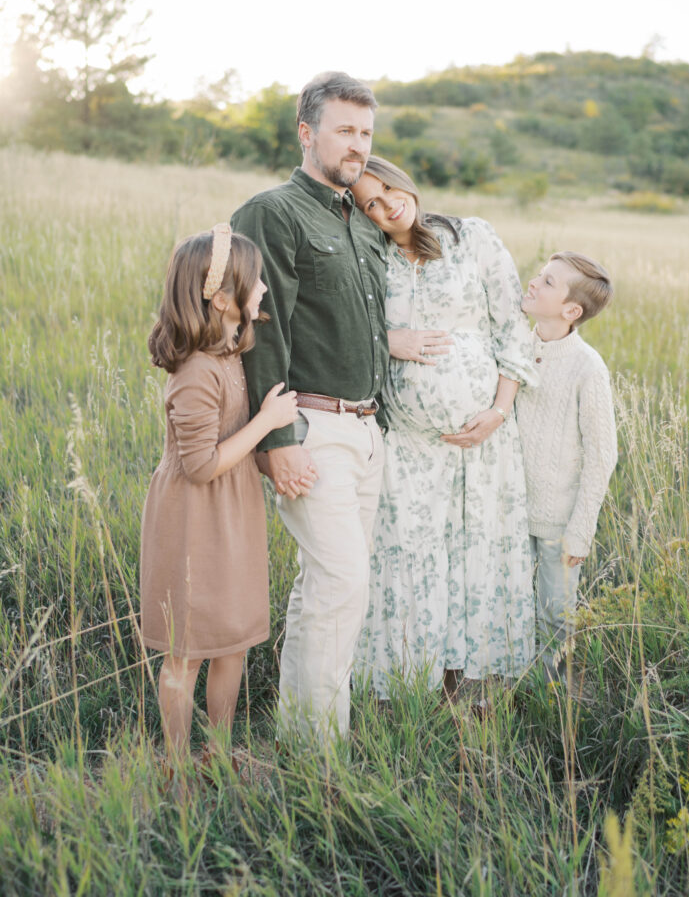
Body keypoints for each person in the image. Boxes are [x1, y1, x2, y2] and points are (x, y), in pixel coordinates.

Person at [230, 72, 387, 740]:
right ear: (306, 132)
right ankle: (324, 757)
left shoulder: (358, 218)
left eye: (366, 133)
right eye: (344, 130)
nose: (357, 145)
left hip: (367, 429)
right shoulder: (273, 213)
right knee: (342, 582)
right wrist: (279, 440)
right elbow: (263, 329)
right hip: (311, 426)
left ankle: (302, 736)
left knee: (329, 589)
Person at [350, 155, 538, 701]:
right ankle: (412, 680)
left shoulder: (472, 237)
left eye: (387, 189)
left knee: (479, 549)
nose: (388, 205)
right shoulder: (369, 255)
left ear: (402, 178)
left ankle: (473, 686)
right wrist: (389, 341)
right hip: (409, 443)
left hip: (485, 439)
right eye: (371, 204)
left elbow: (512, 327)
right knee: (412, 557)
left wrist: (499, 410)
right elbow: (347, 329)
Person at [140, 224, 298, 765]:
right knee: (186, 652)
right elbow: (202, 465)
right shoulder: (196, 371)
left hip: (234, 513)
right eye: (256, 283)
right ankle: (179, 764)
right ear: (224, 298)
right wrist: (268, 422)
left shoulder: (233, 355)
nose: (264, 292)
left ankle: (220, 751)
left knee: (234, 638)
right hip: (191, 518)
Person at [516, 251, 618, 681]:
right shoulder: (516, 346)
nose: (534, 282)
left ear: (571, 310)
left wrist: (581, 529)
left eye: (549, 282)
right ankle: (512, 684)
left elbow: (601, 454)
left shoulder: (586, 367)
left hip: (559, 520)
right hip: (509, 510)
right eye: (539, 274)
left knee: (556, 615)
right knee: (512, 605)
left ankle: (552, 698)